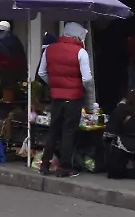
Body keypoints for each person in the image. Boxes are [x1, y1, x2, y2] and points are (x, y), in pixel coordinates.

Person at [37, 22, 96, 178]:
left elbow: (41, 73)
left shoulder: (49, 49)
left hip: (56, 98)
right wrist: (90, 103)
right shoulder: (81, 52)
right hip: (74, 99)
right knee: (68, 133)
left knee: (53, 131)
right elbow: (87, 80)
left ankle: (44, 164)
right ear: (78, 36)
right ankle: (64, 168)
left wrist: (55, 85)